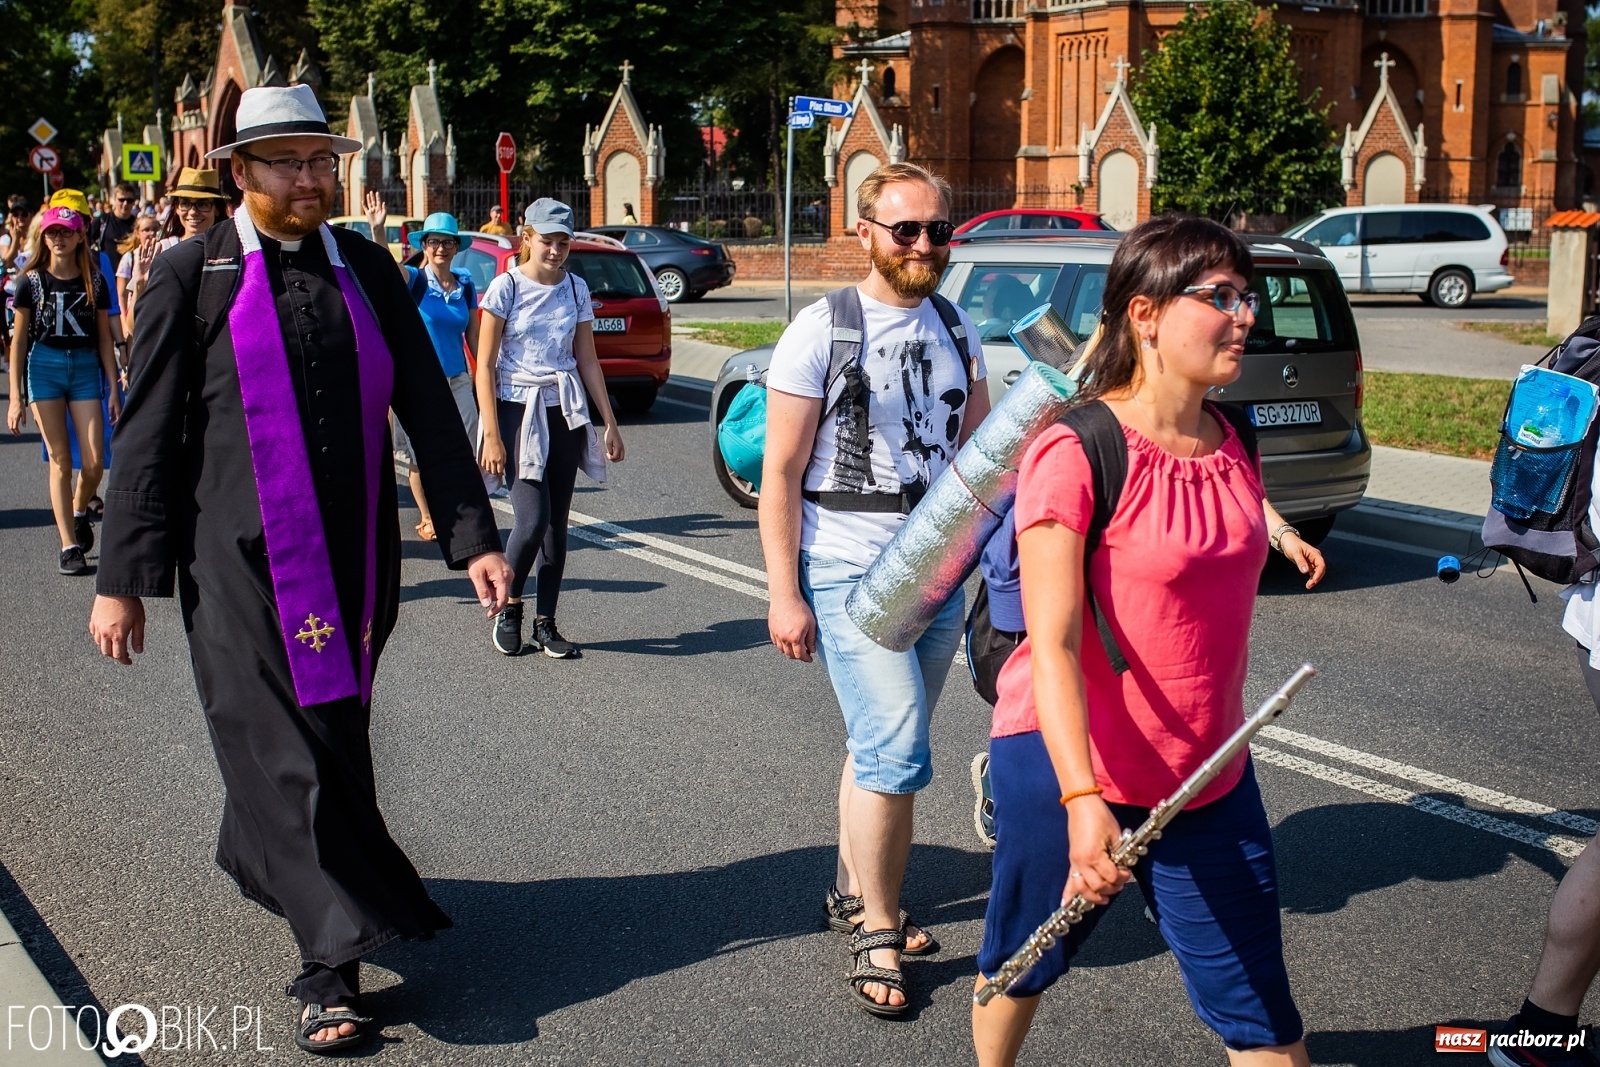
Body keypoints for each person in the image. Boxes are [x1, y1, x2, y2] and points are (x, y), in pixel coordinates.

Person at [86, 84, 513, 1055]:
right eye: (289, 162)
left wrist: (472, 535)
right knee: (280, 740)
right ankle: (333, 966)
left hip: (355, 556)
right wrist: (122, 575)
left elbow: (426, 409)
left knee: (330, 733)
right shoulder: (194, 274)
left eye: (323, 160)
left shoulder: (365, 265)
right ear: (241, 171)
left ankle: (260, 851)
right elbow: (145, 432)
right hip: (232, 558)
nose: (313, 178)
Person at [968, 215, 1324, 1067]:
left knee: (1262, 1013)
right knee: (1022, 966)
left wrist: (1276, 529)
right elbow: (1049, 644)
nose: (1245, 316)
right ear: (1146, 314)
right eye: (1221, 298)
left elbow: (1205, 498)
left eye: (1250, 297)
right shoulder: (1075, 449)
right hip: (1071, 765)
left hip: (1207, 771)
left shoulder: (1235, 438)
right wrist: (1080, 799)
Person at [760, 161, 990, 1016]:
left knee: (876, 743)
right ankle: (881, 929)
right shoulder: (821, 329)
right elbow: (780, 472)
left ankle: (851, 889)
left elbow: (980, 454)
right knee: (898, 747)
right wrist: (784, 591)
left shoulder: (958, 326)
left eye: (938, 229)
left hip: (935, 562)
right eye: (907, 230)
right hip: (850, 562)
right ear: (865, 232)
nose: (926, 244)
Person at [476, 198, 625, 658]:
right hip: (516, 409)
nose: (556, 251)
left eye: (564, 243)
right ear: (527, 238)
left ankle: (546, 624)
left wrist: (609, 422)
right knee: (532, 517)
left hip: (564, 409)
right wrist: (493, 433)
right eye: (548, 242)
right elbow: (484, 366)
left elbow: (587, 360)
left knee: (557, 527)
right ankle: (509, 606)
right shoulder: (506, 287)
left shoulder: (577, 289)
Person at [5, 207, 119, 575]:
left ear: (79, 236)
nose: (59, 238)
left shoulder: (95, 281)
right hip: (45, 367)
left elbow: (104, 339)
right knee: (59, 459)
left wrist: (114, 387)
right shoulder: (31, 282)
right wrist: (16, 397)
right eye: (52, 232)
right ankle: (69, 545)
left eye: (66, 232)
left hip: (85, 367)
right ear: (44, 237)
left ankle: (78, 508)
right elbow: (18, 342)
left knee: (94, 462)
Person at [365, 201, 480, 541]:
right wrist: (377, 230)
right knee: (420, 454)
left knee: (466, 449)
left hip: (458, 379)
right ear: (424, 246)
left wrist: (488, 374)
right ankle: (429, 516)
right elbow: (385, 267)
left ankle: (458, 512)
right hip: (419, 384)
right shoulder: (415, 281)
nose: (440, 248)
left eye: (447, 242)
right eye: (433, 242)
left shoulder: (465, 285)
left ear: (456, 247)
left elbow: (473, 336)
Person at [121, 168, 229, 341]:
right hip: (172, 356)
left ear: (216, 209)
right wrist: (140, 285)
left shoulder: (231, 252)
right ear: (177, 208)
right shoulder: (160, 251)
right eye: (185, 203)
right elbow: (133, 326)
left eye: (203, 203)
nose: (193, 212)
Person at [93, 182, 139, 259]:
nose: (125, 204)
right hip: (106, 269)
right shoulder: (102, 220)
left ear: (134, 202)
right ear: (114, 199)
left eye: (129, 200)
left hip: (132, 268)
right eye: (121, 200)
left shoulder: (137, 223)